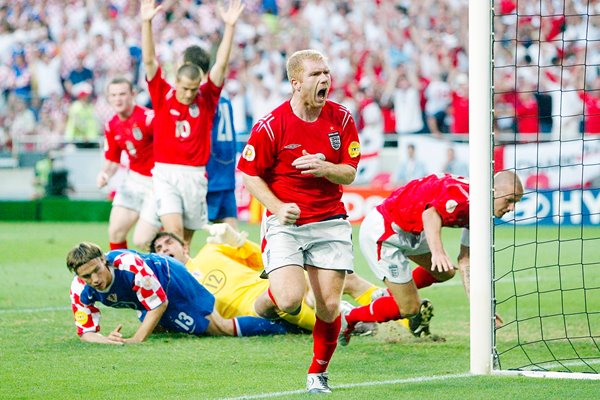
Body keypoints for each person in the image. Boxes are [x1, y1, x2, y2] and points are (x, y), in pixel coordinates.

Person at [237, 49, 361, 393]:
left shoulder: (342, 118)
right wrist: (276, 206)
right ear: (295, 83)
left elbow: (349, 173)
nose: (325, 80)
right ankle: (266, 301)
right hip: (287, 223)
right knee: (289, 300)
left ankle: (317, 373)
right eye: (316, 75)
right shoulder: (272, 124)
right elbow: (248, 174)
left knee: (330, 305)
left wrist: (327, 169)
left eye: (327, 73)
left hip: (330, 221)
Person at [339, 171, 524, 346]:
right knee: (410, 309)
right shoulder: (463, 197)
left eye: (516, 202)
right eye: (509, 200)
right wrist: (437, 251)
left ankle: (385, 295)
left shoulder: (482, 213)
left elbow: (466, 260)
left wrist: (480, 309)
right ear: (493, 190)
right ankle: (349, 317)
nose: (512, 208)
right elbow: (430, 213)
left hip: (412, 231)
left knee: (445, 272)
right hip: (385, 231)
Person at [140, 0, 244, 246]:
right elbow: (149, 61)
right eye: (185, 88)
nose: (189, 94)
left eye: (194, 89)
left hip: (196, 177)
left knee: (184, 243)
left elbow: (221, 65)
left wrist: (229, 28)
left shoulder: (207, 99)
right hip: (166, 174)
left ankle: (179, 280)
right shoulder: (161, 94)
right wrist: (147, 22)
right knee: (173, 232)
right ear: (176, 81)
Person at [149, 225, 380, 333]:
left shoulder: (211, 251)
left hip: (270, 282)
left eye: (169, 243)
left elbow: (260, 260)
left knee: (339, 276)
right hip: (253, 307)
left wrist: (237, 242)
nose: (164, 249)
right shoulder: (179, 286)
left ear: (184, 246)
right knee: (278, 299)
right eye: (158, 248)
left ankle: (386, 304)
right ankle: (343, 322)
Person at [67, 242, 301, 345]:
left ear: (104, 261)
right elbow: (86, 333)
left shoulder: (130, 265)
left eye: (97, 271)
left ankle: (285, 326)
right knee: (159, 326)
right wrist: (110, 342)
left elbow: (158, 304)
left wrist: (136, 340)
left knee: (219, 329)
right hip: (146, 294)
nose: (94, 280)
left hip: (172, 280)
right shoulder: (79, 289)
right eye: (86, 276)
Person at [96, 77, 160, 251]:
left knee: (143, 240)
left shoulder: (148, 119)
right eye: (114, 95)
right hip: (134, 180)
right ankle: (122, 274)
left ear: (133, 94)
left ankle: (162, 272)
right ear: (108, 98)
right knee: (115, 231)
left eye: (123, 94)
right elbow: (112, 160)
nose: (118, 99)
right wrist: (105, 174)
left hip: (158, 183)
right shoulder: (111, 125)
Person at [183, 45, 239, 229]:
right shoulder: (224, 98)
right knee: (230, 231)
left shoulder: (204, 97)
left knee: (181, 232)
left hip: (209, 172)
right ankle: (242, 258)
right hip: (227, 171)